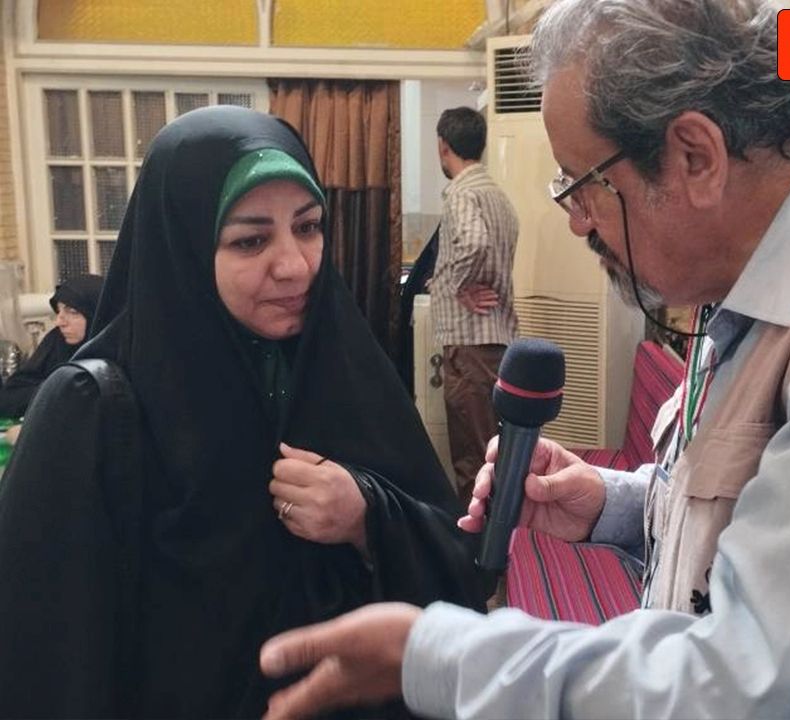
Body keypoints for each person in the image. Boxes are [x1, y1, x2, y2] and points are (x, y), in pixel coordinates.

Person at [259, 1, 790, 717]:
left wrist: (440, 658)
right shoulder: (770, 279)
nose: (578, 222)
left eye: (582, 183)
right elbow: (779, 503)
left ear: (694, 155)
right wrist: (613, 504)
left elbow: (763, 689)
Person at [0, 105, 489, 717]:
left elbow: (459, 568)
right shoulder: (90, 408)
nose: (294, 266)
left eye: (308, 227)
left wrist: (367, 516)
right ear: (182, 246)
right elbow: (44, 656)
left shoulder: (339, 368)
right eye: (250, 240)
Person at [430, 106, 519, 502]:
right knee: (494, 447)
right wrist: (447, 280)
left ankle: (480, 536)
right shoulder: (498, 197)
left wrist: (457, 287)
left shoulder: (461, 193)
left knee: (474, 455)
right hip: (497, 341)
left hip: (470, 344)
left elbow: (474, 242)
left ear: (443, 146)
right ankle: (497, 530)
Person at [0, 273, 103, 419]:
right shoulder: (57, 340)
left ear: (96, 314)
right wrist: (57, 392)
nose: (59, 322)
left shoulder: (117, 354)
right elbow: (10, 397)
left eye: (72, 312)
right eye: (59, 311)